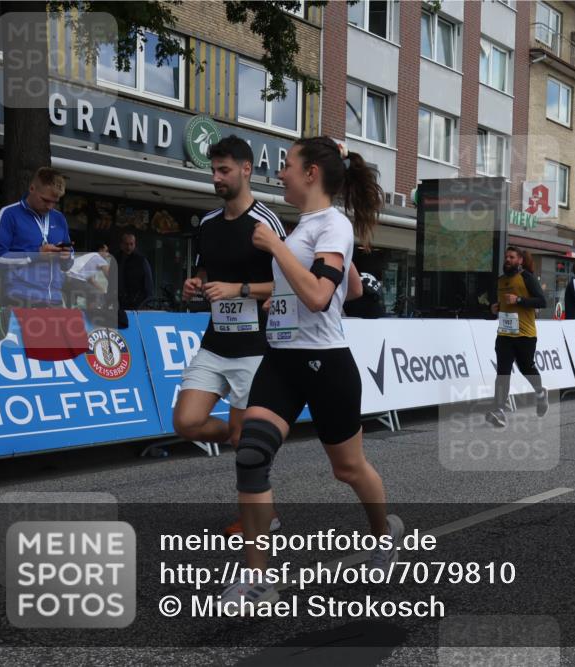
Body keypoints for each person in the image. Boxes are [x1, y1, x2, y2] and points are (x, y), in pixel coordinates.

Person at [221, 137, 400, 607]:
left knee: (348, 468)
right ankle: (257, 580)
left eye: (287, 164)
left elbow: (320, 296)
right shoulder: (309, 227)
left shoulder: (333, 224)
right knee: (251, 455)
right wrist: (276, 294)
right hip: (282, 359)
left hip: (325, 364)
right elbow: (350, 290)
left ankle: (384, 534)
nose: (280, 172)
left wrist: (276, 248)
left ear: (311, 174)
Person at [175, 136, 292, 536]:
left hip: (254, 349)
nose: (216, 178)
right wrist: (195, 284)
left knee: (246, 444)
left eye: (223, 170)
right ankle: (240, 434)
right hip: (215, 343)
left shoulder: (267, 223)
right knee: (187, 422)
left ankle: (262, 516)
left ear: (246, 169)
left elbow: (291, 284)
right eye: (213, 171)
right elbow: (206, 273)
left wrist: (239, 289)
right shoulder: (208, 223)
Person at [0, 167, 73, 307]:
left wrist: (67, 257)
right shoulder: (9, 214)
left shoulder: (59, 218)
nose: (50, 207)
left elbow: (69, 262)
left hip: (54, 300)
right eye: (45, 200)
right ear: (32, 188)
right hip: (20, 298)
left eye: (55, 202)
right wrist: (37, 254)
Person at [485, 247, 549, 428]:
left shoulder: (527, 278)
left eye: (512, 257)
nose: (508, 260)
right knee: (503, 372)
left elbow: (542, 301)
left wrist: (519, 300)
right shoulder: (500, 280)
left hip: (525, 335)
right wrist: (494, 308)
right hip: (505, 334)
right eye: (506, 257)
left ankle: (540, 394)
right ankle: (499, 410)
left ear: (520, 260)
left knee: (526, 367)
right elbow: (500, 304)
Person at [116, 231, 154, 310]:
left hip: (137, 304)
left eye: (131, 244)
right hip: (119, 302)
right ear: (121, 245)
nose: (129, 247)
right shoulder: (116, 259)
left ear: (134, 245)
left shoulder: (141, 261)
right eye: (126, 244)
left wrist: (147, 303)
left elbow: (148, 283)